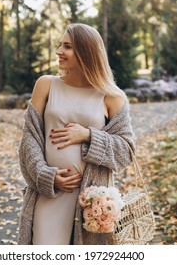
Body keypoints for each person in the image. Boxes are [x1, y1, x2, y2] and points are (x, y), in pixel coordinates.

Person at [17, 23, 136, 245]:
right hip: (49, 192)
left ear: (86, 52)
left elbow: (126, 151)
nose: (59, 52)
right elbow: (29, 139)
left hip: (92, 202)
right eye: (60, 45)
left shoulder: (112, 97)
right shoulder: (46, 85)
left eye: (68, 47)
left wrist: (88, 135)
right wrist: (47, 176)